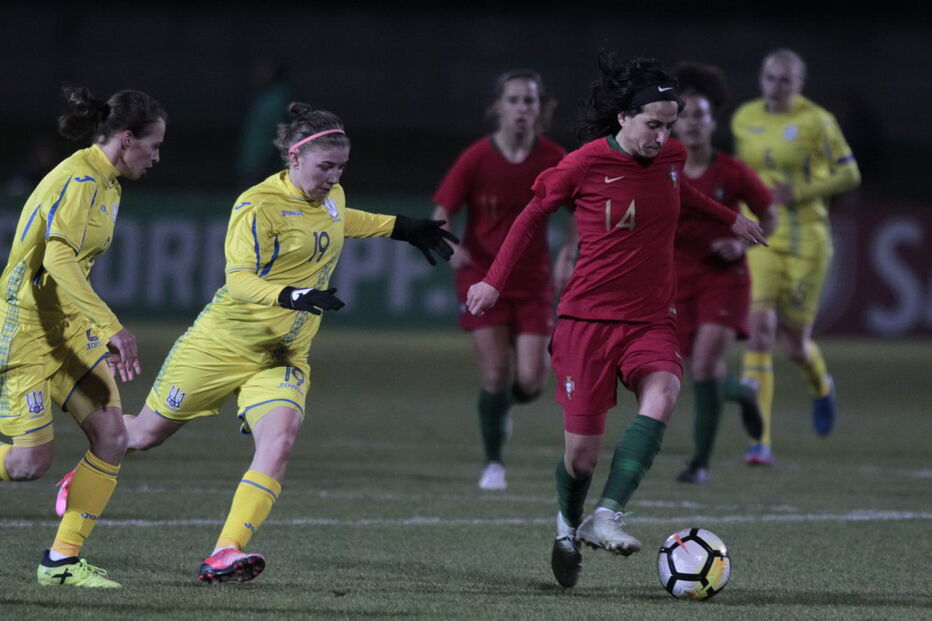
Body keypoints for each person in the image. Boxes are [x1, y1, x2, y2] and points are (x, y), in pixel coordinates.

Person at [109, 102, 456, 584]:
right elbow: (239, 281)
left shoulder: (330, 196)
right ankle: (87, 461)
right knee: (142, 436)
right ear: (294, 160)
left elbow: (341, 219)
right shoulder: (257, 206)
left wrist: (400, 227)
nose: (333, 177)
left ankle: (224, 551)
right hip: (223, 345)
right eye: (324, 167)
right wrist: (292, 294)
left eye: (340, 167)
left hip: (282, 356)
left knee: (280, 440)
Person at [466, 53, 767, 589]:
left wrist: (732, 218)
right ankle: (566, 526)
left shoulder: (671, 156)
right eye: (653, 124)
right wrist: (493, 280)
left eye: (668, 126)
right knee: (580, 457)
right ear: (624, 119)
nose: (663, 136)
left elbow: (682, 190)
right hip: (585, 323)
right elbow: (531, 215)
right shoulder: (581, 165)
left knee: (666, 390)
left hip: (650, 320)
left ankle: (607, 514)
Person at [0, 86, 166, 587]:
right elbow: (57, 258)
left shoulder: (109, 180)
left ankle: (61, 563)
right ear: (124, 137)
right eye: (153, 146)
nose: (157, 157)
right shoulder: (79, 179)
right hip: (27, 329)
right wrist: (111, 325)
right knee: (29, 464)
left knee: (112, 436)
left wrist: (93, 326)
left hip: (68, 330)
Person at [432, 69, 566, 491]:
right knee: (494, 373)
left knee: (530, 380)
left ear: (539, 108)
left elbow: (584, 206)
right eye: (513, 100)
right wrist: (450, 247)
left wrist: (570, 251)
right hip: (481, 278)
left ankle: (503, 405)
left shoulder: (554, 157)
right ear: (498, 108)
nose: (522, 108)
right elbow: (442, 210)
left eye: (529, 101)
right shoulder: (476, 157)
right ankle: (493, 464)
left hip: (532, 282)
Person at [732, 49, 861, 465]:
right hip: (761, 235)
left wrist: (799, 192)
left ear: (799, 84)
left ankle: (821, 383)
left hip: (807, 239)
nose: (777, 86)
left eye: (786, 80)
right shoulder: (744, 118)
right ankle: (760, 441)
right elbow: (740, 172)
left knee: (794, 346)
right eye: (771, 77)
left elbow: (849, 172)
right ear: (761, 78)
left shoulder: (817, 122)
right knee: (760, 329)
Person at [671, 62, 777, 484]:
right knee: (697, 370)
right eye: (685, 114)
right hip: (678, 281)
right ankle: (744, 392)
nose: (693, 122)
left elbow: (769, 216)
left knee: (706, 364)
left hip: (724, 278)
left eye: (701, 114)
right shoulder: (664, 170)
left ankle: (699, 464)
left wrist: (741, 242)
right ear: (673, 122)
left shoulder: (731, 172)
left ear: (714, 121)